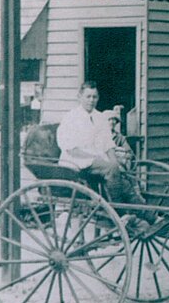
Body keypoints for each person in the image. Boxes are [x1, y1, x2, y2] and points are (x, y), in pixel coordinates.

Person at [57, 82, 153, 227]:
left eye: (94, 97)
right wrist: (97, 159)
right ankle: (120, 213)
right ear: (80, 97)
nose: (91, 100)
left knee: (122, 179)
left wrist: (115, 162)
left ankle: (150, 216)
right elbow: (70, 148)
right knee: (110, 169)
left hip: (97, 161)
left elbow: (108, 144)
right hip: (76, 161)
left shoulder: (99, 117)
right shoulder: (71, 118)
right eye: (88, 96)